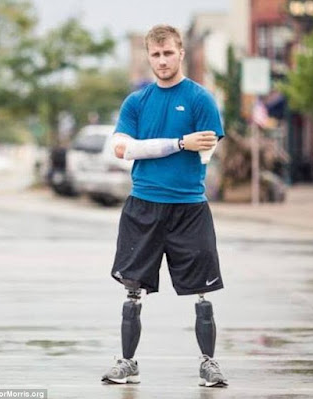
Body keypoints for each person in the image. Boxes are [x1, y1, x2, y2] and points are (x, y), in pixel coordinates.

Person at [101, 24, 228, 388]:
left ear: (181, 53)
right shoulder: (136, 102)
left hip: (189, 208)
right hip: (143, 206)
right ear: (148, 57)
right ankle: (127, 362)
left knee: (202, 291)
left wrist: (167, 145)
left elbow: (206, 149)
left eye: (168, 53)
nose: (161, 60)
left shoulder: (201, 99)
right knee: (132, 289)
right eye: (155, 54)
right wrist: (177, 142)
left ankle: (209, 363)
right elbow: (123, 149)